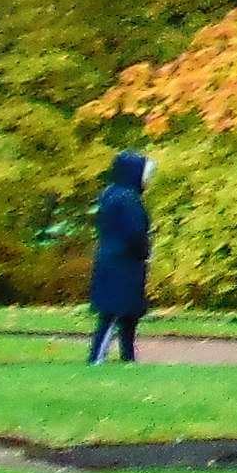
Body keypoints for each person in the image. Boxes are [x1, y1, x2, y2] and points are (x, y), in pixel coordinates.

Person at [80, 147, 150, 364]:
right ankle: (98, 357)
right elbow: (135, 232)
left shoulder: (110, 194)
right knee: (114, 312)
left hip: (111, 258)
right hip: (124, 262)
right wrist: (144, 253)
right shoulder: (129, 199)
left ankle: (127, 356)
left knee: (127, 313)